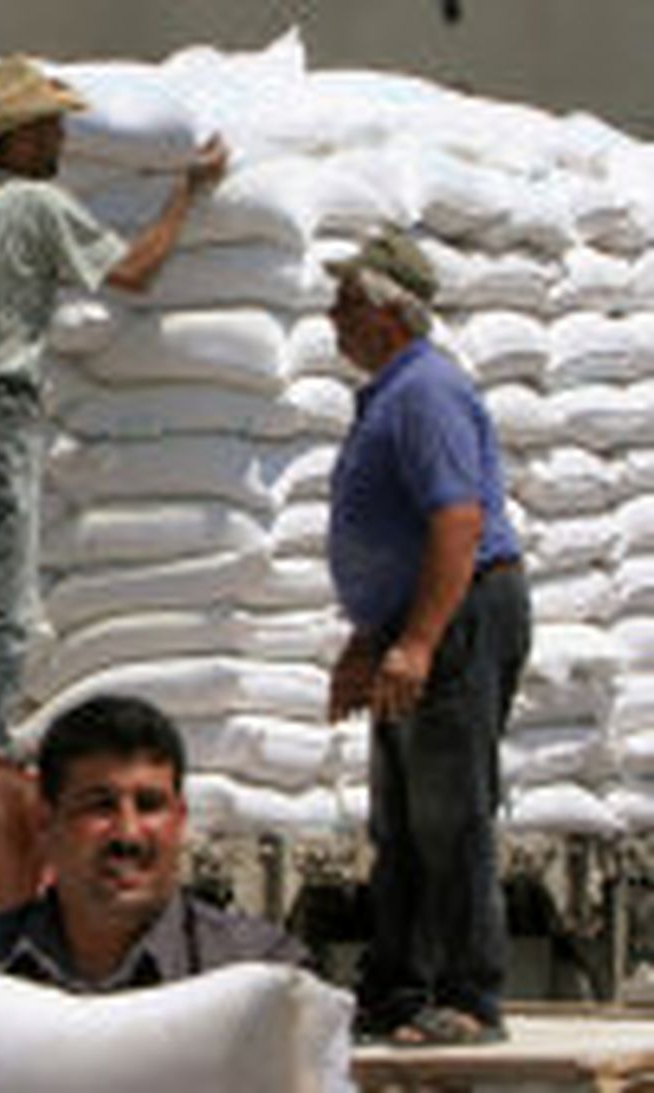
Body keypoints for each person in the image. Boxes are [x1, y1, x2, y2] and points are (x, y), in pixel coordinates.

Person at [0, 56, 226, 747]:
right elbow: (135, 272)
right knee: (2, 615)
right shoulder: (34, 203)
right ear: (17, 136)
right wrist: (189, 192)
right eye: (51, 130)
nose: (62, 143)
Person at [323, 229, 530, 1046]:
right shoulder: (393, 393)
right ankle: (397, 986)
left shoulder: (427, 393)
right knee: (400, 817)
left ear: (388, 313)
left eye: (345, 302)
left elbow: (457, 519)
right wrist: (369, 640)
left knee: (448, 811)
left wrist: (417, 643)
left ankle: (470, 995)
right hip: (419, 619)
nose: (331, 318)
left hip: (461, 615)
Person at [0, 694, 307, 989]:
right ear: (45, 825)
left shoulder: (255, 975)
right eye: (100, 807)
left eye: (150, 805)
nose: (128, 833)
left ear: (181, 819)